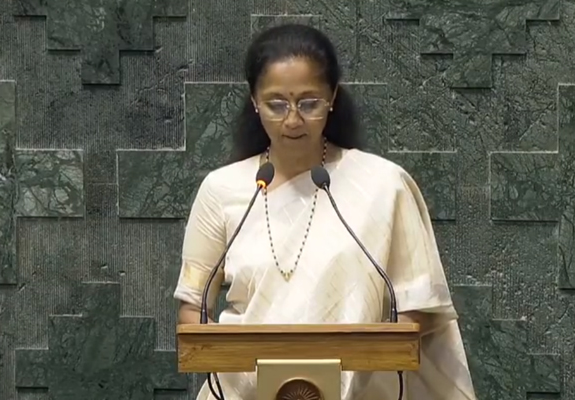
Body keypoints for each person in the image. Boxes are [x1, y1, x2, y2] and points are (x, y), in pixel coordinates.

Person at [173, 23, 477, 400]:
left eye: (309, 102)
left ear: (332, 96)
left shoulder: (383, 185)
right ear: (254, 101)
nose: (293, 120)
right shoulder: (222, 190)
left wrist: (353, 364)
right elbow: (193, 307)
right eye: (277, 104)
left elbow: (421, 307)